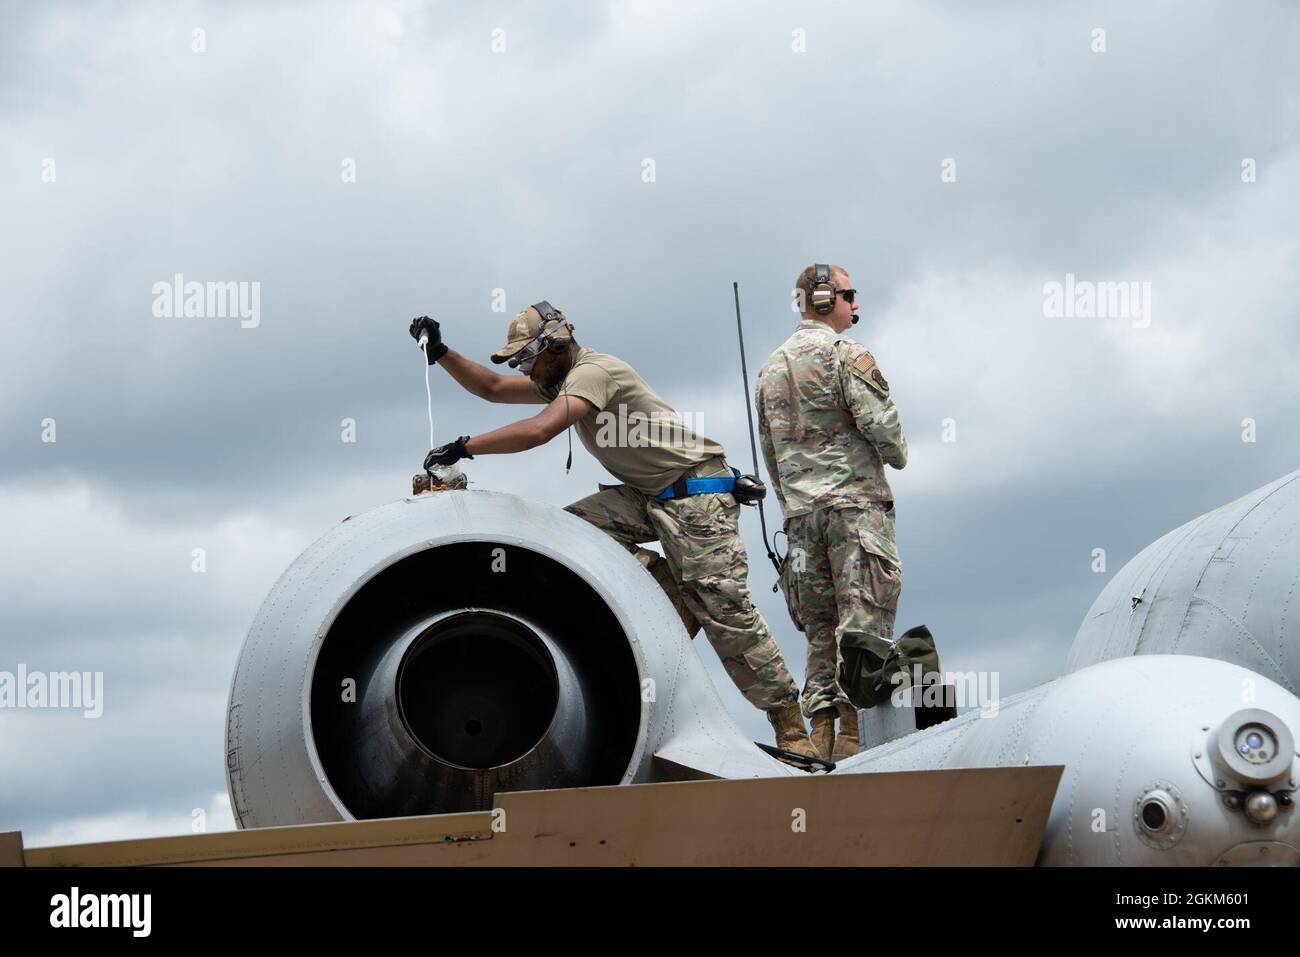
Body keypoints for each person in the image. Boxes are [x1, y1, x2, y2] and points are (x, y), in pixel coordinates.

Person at [409, 304, 818, 763]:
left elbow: (541, 431)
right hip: (650, 496)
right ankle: (666, 586)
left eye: (527, 359)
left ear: (554, 346)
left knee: (725, 611)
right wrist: (441, 352)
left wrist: (465, 448)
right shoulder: (565, 380)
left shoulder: (594, 372)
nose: (525, 371)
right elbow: (492, 387)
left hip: (696, 497)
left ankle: (790, 725)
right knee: (568, 535)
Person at [756, 264, 942, 762]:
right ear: (824, 299)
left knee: (819, 630)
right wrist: (895, 452)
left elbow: (771, 457)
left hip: (800, 519)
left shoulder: (771, 368)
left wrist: (796, 502)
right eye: (850, 295)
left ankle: (820, 736)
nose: (856, 306)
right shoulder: (847, 355)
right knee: (861, 625)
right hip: (855, 513)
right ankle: (858, 739)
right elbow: (889, 437)